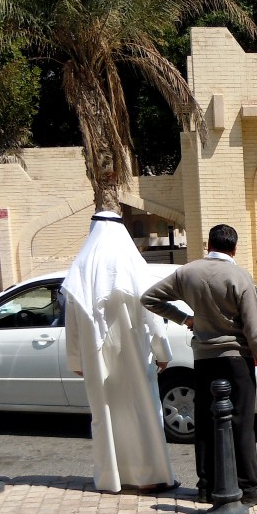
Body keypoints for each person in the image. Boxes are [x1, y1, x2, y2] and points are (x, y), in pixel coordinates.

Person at [141, 224, 257, 507]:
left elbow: (149, 298)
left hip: (203, 359)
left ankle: (205, 487)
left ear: (208, 245)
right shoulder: (239, 276)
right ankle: (248, 488)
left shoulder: (187, 272)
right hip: (236, 358)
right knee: (241, 424)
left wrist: (185, 319)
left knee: (204, 422)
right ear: (234, 248)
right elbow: (254, 330)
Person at [61, 210, 177, 494]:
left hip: (98, 357)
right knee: (144, 413)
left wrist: (76, 358)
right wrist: (162, 351)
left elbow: (72, 321)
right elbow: (153, 315)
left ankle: (112, 479)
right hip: (135, 353)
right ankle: (151, 476)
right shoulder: (133, 264)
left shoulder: (81, 267)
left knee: (107, 415)